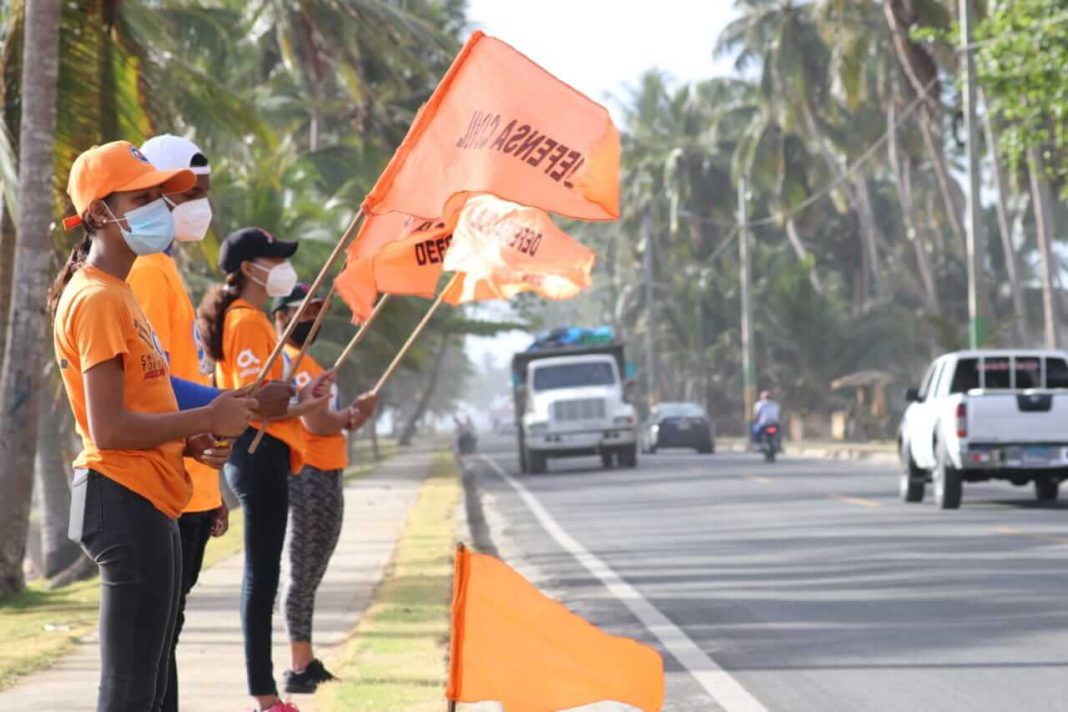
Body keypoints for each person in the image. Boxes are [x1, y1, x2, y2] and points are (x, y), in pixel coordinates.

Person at [48, 140, 259, 712]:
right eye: (141, 198)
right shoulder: (95, 299)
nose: (158, 210)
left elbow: (143, 404)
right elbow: (109, 428)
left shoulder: (121, 293)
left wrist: (189, 437)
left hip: (149, 496)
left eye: (158, 197)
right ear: (98, 214)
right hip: (121, 495)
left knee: (150, 684)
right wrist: (209, 416)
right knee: (131, 688)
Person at [130, 133, 291, 712]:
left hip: (193, 477)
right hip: (165, 479)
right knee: (153, 647)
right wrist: (246, 402)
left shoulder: (165, 268)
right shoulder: (147, 270)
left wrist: (212, 487)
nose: (202, 204)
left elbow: (181, 375)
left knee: (164, 640)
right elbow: (149, 385)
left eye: (205, 191)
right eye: (190, 192)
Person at [198, 227, 334, 712]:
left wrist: (306, 400)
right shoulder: (247, 321)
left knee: (264, 576)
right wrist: (299, 405)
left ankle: (265, 694)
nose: (281, 267)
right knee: (261, 578)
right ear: (251, 268)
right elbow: (257, 405)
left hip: (256, 453)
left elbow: (265, 403)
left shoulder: (243, 317)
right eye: (274, 259)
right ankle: (265, 696)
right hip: (258, 455)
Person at [269, 285, 377, 693]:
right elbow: (316, 424)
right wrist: (351, 415)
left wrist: (351, 417)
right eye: (306, 311)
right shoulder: (292, 363)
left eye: (318, 310)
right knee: (303, 570)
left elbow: (327, 419)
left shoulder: (308, 362)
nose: (314, 318)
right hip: (308, 473)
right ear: (282, 316)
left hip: (327, 470)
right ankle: (298, 667)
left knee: (313, 569)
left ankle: (306, 658)